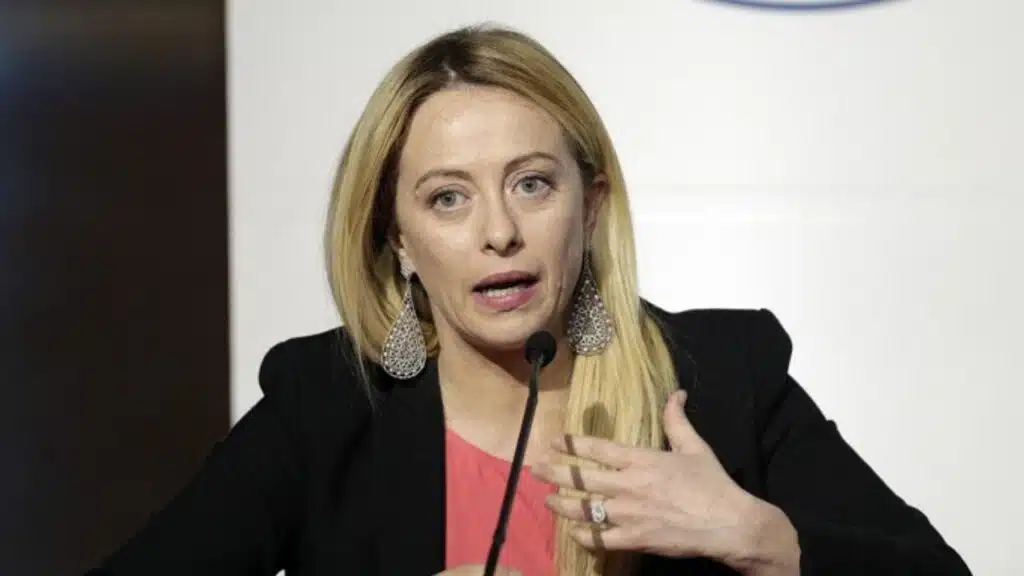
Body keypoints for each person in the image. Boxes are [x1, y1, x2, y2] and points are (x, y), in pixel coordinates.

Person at [87, 23, 972, 576]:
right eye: (448, 198)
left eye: (533, 184)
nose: (499, 232)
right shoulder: (329, 406)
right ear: (398, 239)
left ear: (590, 206)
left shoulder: (722, 380)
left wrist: (761, 540)